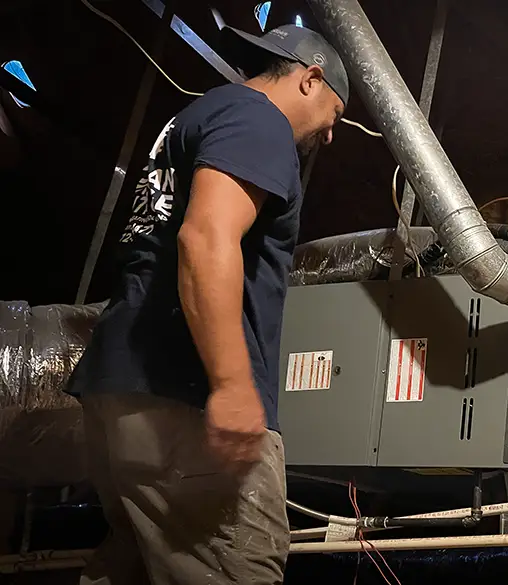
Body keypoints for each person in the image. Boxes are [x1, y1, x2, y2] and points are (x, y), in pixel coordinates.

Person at [65, 22, 349, 585]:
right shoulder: (258, 122)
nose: (330, 135)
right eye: (334, 116)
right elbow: (206, 237)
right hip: (184, 396)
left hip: (122, 388)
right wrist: (232, 384)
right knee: (242, 564)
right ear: (310, 80)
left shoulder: (197, 117)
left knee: (135, 563)